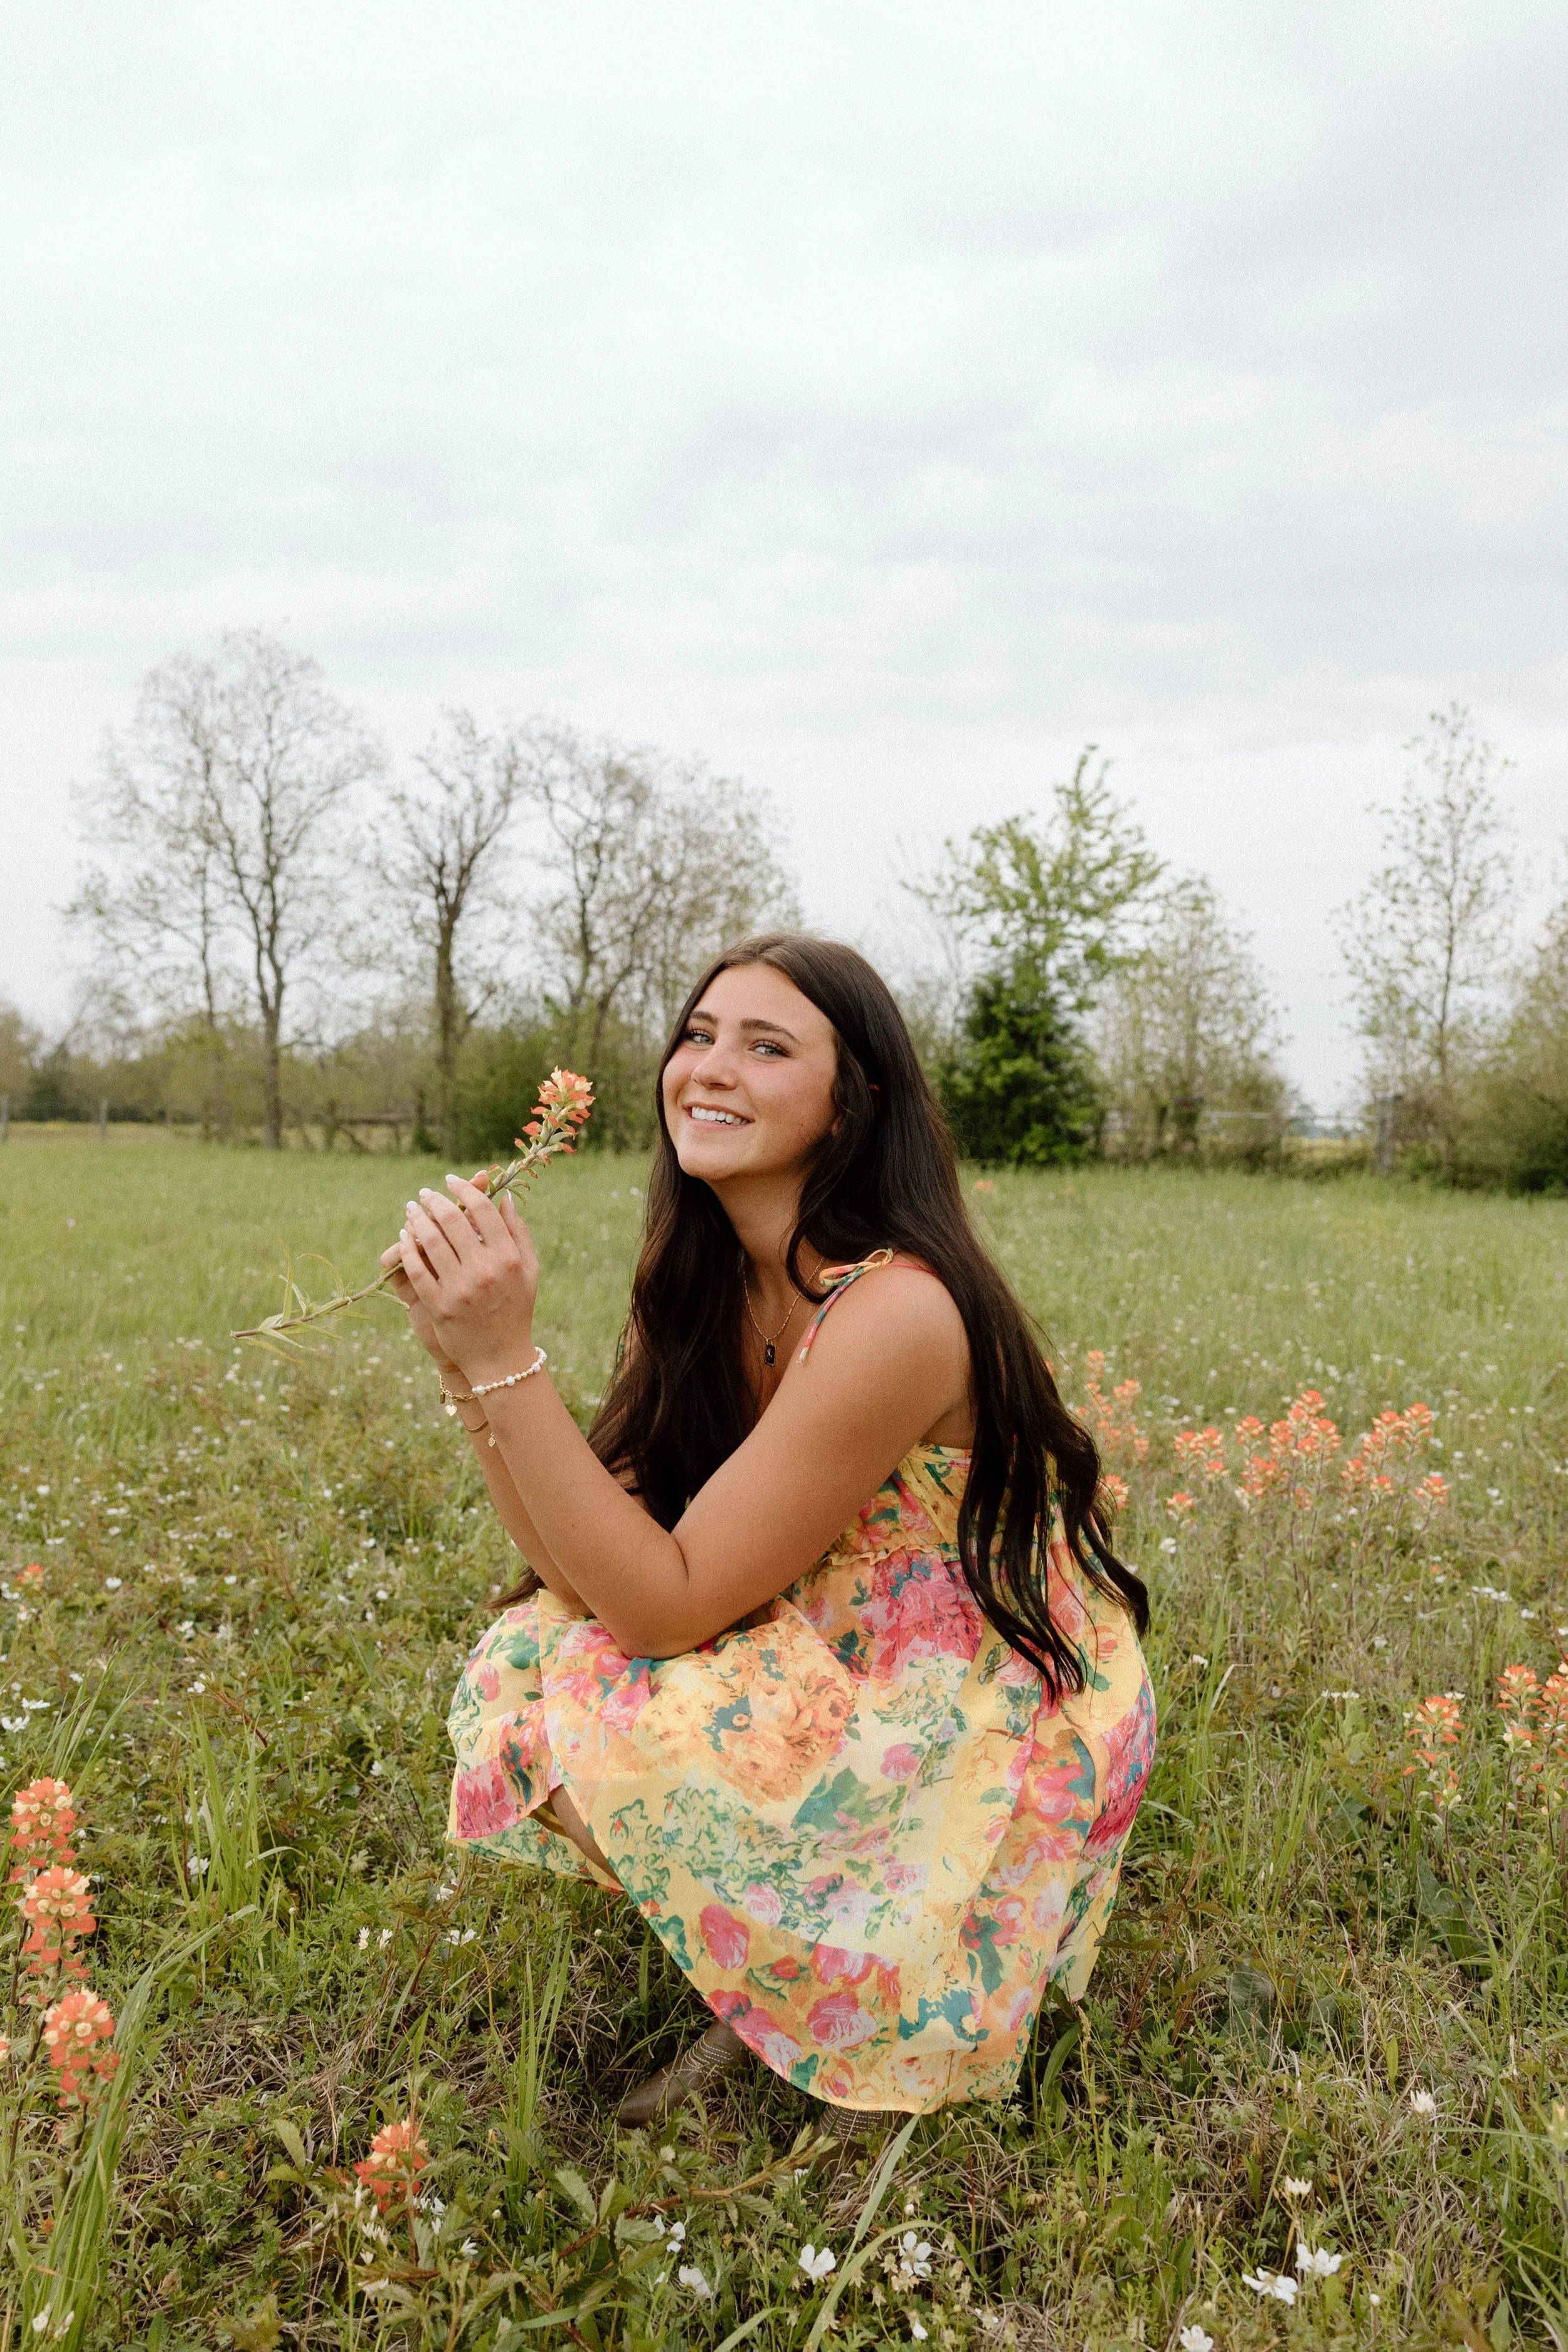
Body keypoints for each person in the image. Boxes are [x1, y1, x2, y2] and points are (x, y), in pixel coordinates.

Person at [381, 935, 1153, 2132]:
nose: (710, 1067)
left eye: (767, 1044)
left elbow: (663, 1599)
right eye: (698, 1034)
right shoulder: (699, 1282)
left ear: (852, 1107)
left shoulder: (897, 1308)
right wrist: (468, 1370)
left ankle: (869, 2010)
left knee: (627, 1706)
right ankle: (790, 1988)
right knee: (535, 1670)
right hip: (829, 1640)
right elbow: (578, 1572)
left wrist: (503, 1358)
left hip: (982, 1701)